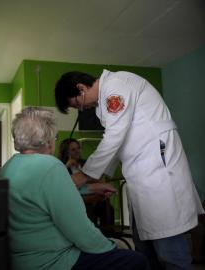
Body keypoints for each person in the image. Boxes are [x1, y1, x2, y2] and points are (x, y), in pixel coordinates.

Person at [55, 70, 205, 270]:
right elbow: (118, 142)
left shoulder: (116, 86)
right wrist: (98, 177)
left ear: (81, 89)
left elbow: (115, 136)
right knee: (145, 248)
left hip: (159, 173)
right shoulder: (106, 100)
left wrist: (85, 175)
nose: (81, 109)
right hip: (142, 178)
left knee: (170, 251)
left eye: (77, 104)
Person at [0, 107, 149, 270]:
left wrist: (91, 189)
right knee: (136, 260)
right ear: (48, 139)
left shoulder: (8, 167)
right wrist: (111, 245)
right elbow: (80, 231)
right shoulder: (50, 166)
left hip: (20, 260)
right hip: (53, 261)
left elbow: (42, 196)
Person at [58, 138, 114, 227]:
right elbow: (59, 182)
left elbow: (96, 178)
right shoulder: (60, 165)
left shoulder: (85, 163)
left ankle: (107, 235)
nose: (77, 151)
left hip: (91, 194)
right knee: (86, 207)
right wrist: (67, 165)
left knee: (107, 207)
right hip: (75, 198)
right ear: (66, 152)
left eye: (78, 148)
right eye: (73, 150)